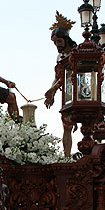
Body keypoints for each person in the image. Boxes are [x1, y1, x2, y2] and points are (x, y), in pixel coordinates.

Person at [44, 13, 78, 157]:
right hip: (67, 95)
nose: (57, 45)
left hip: (78, 92)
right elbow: (58, 77)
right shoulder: (60, 57)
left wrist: (53, 89)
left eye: (58, 41)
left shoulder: (77, 53)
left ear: (66, 40)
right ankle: (67, 156)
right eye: (55, 42)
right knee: (66, 126)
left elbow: (69, 75)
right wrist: (52, 90)